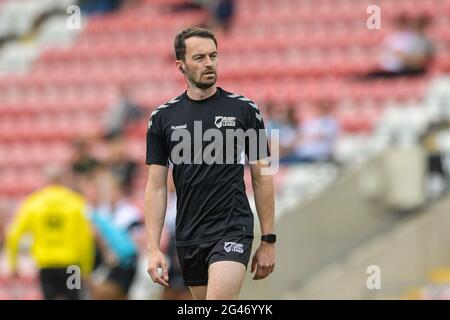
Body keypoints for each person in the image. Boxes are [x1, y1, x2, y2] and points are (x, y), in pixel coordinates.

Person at [144, 27, 276, 300]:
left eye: (213, 56)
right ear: (181, 65)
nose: (209, 64)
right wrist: (153, 247)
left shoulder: (244, 109)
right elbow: (156, 187)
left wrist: (268, 240)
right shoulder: (162, 118)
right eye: (200, 58)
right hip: (189, 234)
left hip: (233, 227)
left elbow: (263, 176)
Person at [4, 165, 94, 300]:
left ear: (45, 180)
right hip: (72, 266)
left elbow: (14, 234)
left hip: (46, 265)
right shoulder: (76, 202)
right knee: (74, 297)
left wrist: (13, 264)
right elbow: (86, 238)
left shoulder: (33, 203)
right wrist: (87, 268)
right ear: (63, 180)